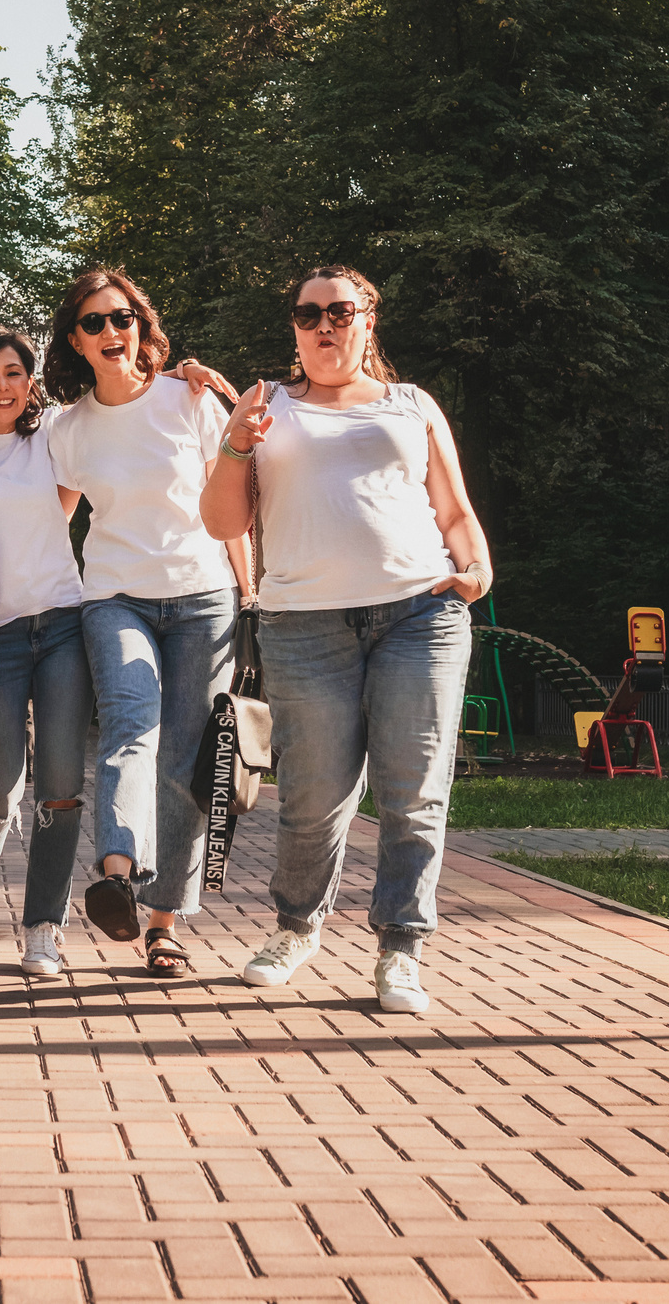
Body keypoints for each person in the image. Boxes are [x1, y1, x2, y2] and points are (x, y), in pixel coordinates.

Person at [199, 264, 490, 1015]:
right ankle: (296, 927)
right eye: (307, 313)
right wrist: (234, 446)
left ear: (368, 320)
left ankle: (401, 947)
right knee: (314, 797)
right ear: (294, 328)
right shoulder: (266, 406)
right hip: (303, 625)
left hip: (417, 617)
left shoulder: (411, 404)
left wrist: (476, 566)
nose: (323, 324)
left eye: (339, 310)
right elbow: (224, 524)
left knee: (414, 791)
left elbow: (452, 508)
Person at [44, 268, 249, 977]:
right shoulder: (67, 429)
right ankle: (118, 874)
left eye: (122, 317)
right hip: (114, 598)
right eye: (94, 322)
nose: (111, 332)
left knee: (186, 755)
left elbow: (232, 503)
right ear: (75, 338)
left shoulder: (188, 400)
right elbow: (49, 521)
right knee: (132, 724)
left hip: (203, 596)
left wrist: (248, 593)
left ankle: (164, 921)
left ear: (141, 325)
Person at [0, 327, 90, 978]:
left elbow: (70, 496)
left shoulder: (53, 435)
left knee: (60, 788)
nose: (4, 385)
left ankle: (42, 929)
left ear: (31, 380)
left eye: (15, 372)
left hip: (62, 625)